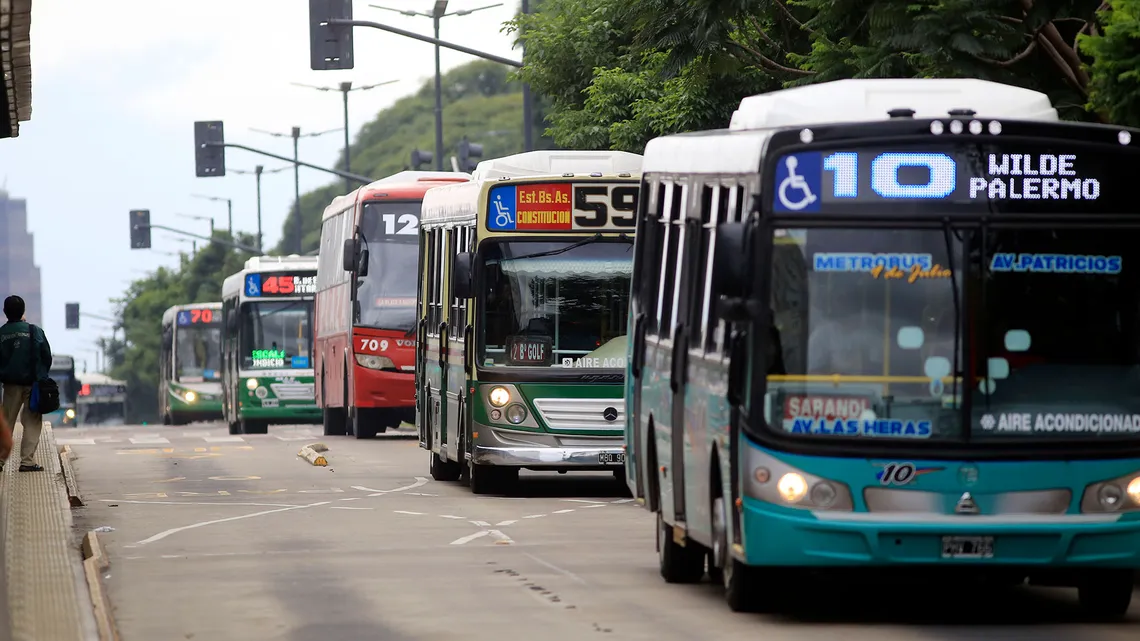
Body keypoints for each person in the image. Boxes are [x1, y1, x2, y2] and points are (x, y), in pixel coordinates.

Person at [0, 295, 51, 472]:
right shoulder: (34, 331)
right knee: (32, 422)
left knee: (6, 423)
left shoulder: (1, 333)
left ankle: (0, 460)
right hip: (33, 386)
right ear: (23, 311)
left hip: (10, 386)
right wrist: (41, 376)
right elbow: (46, 356)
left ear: (5, 312)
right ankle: (27, 462)